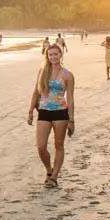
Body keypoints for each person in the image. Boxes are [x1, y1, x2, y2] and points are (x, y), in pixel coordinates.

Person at [26, 44, 75, 188]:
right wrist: (30, 111)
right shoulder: (43, 72)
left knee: (58, 145)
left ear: (61, 55)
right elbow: (36, 92)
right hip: (44, 112)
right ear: (47, 56)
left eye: (55, 54)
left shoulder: (68, 75)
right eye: (50, 55)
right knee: (41, 147)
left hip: (61, 113)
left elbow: (70, 98)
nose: (53, 57)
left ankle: (54, 177)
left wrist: (71, 120)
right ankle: (49, 170)